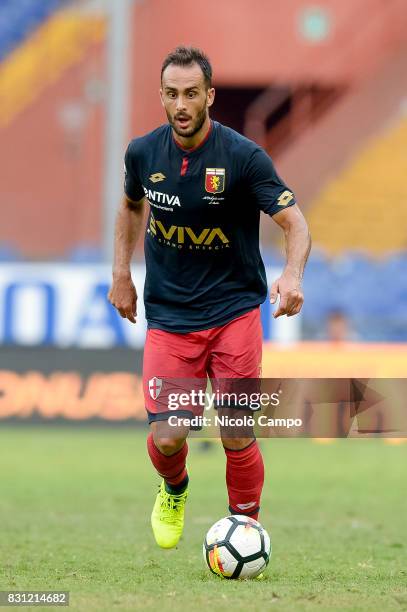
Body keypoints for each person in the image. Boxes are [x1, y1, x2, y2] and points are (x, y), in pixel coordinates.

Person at [108, 46, 311, 549]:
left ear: (209, 97)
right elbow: (131, 206)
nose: (181, 104)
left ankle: (246, 528)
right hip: (171, 317)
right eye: (172, 94)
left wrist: (291, 274)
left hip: (233, 312)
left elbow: (295, 222)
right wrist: (121, 274)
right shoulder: (142, 153)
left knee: (236, 430)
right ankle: (175, 488)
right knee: (169, 437)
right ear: (161, 95)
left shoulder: (243, 157)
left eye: (191, 94)